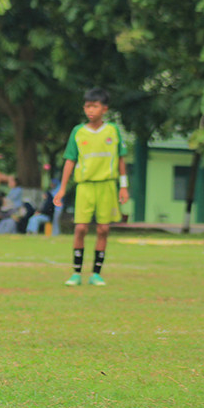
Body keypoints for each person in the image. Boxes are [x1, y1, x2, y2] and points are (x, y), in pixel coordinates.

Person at [53, 87, 128, 286]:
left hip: (107, 186)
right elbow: (70, 160)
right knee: (80, 228)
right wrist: (61, 188)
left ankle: (96, 273)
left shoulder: (112, 130)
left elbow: (121, 159)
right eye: (87, 106)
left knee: (103, 229)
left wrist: (123, 186)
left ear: (105, 109)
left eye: (94, 106)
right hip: (84, 186)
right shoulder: (78, 132)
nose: (90, 111)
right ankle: (76, 273)